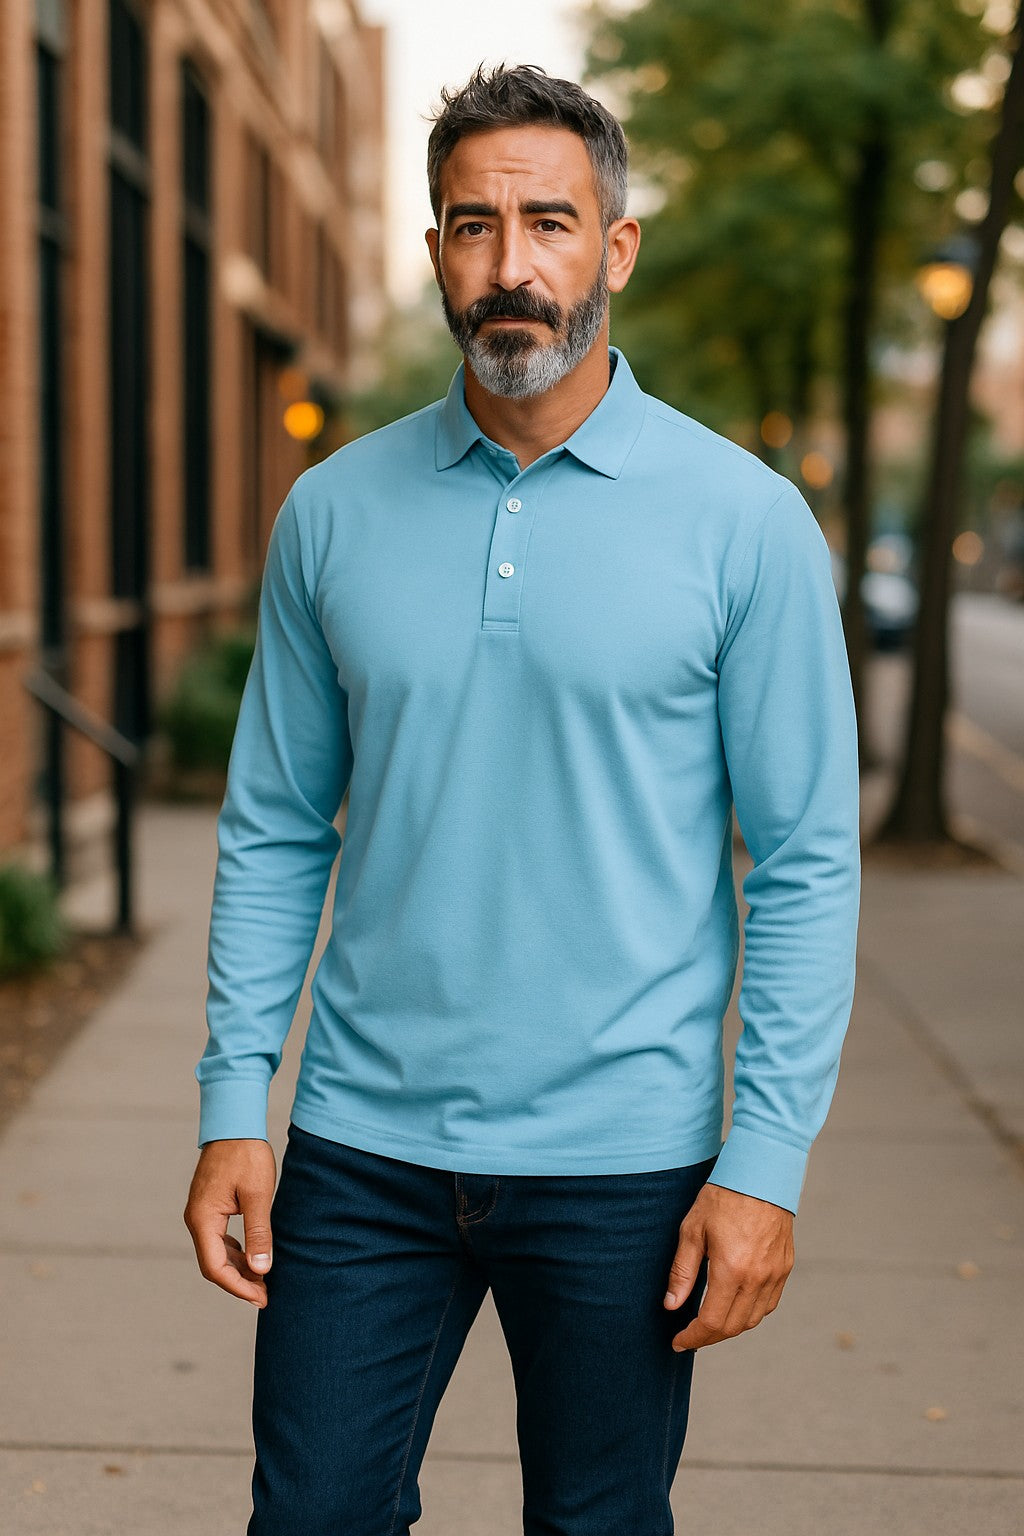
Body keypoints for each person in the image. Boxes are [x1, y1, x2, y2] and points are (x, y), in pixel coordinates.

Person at [184, 62, 860, 1536]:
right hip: (363, 1148)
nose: (510, 267)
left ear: (614, 249)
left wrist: (765, 1164)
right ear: (435, 252)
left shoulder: (742, 523)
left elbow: (807, 862)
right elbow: (277, 825)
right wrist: (238, 1104)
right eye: (472, 227)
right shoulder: (334, 512)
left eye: (548, 224)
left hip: (628, 1160)